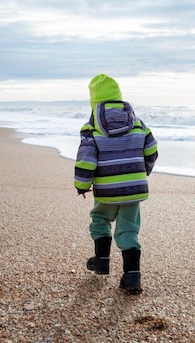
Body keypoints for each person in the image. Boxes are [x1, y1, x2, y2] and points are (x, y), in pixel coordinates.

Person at [74, 74, 158, 294]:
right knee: (129, 228)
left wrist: (82, 184)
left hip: (107, 189)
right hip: (134, 187)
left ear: (95, 103)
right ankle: (132, 276)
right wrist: (142, 172)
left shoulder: (92, 126)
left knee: (100, 218)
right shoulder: (138, 123)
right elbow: (151, 149)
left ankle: (101, 260)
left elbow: (87, 158)